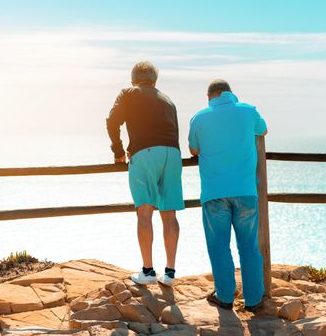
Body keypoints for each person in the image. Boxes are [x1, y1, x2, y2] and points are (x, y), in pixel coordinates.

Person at [188, 79, 268, 312]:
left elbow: (194, 149)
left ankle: (224, 296)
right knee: (249, 246)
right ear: (231, 94)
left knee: (219, 245)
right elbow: (262, 130)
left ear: (209, 97)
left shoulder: (199, 117)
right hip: (245, 190)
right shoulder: (249, 110)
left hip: (214, 192)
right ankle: (254, 300)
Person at [106, 61, 184, 286]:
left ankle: (148, 271)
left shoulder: (128, 93)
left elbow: (112, 122)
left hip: (145, 153)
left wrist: (118, 152)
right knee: (169, 214)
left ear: (133, 79)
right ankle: (169, 274)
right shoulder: (168, 100)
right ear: (155, 80)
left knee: (145, 212)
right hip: (172, 153)